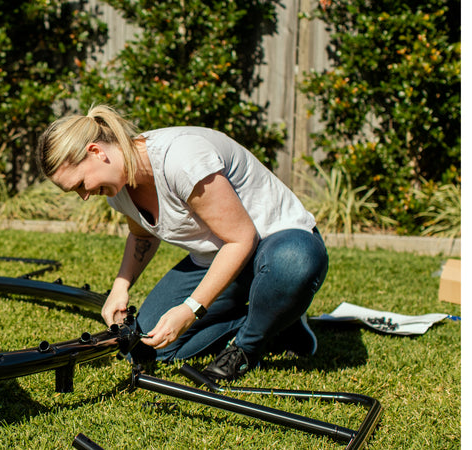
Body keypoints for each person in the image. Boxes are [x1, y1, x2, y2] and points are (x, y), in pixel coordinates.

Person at [34, 105, 328, 383]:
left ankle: (247, 348)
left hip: (274, 244)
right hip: (217, 258)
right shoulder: (118, 188)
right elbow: (142, 235)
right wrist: (120, 287)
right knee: (152, 346)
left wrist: (190, 309)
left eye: (80, 185)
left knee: (295, 260)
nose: (85, 196)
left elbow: (242, 238)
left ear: (96, 152)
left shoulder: (181, 158)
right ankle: (278, 323)